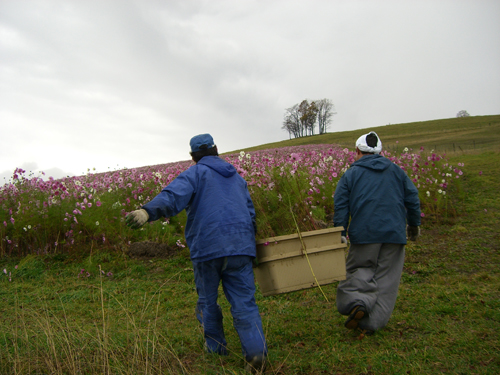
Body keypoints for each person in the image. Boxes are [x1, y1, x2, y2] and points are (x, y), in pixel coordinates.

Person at [125, 134, 267, 373]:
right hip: (240, 246)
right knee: (244, 302)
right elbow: (251, 214)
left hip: (208, 248)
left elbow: (172, 196)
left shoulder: (194, 174)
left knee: (208, 301)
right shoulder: (236, 177)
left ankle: (216, 349)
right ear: (216, 150)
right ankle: (255, 354)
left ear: (193, 157)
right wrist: (247, 245)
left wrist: (147, 212)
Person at [333, 131, 421, 337]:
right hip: (394, 234)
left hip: (364, 233)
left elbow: (341, 203)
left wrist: (341, 230)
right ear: (380, 152)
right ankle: (370, 323)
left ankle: (357, 302)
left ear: (357, 151)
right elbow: (413, 198)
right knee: (387, 279)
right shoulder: (397, 171)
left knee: (359, 269)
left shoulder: (351, 174)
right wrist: (414, 226)